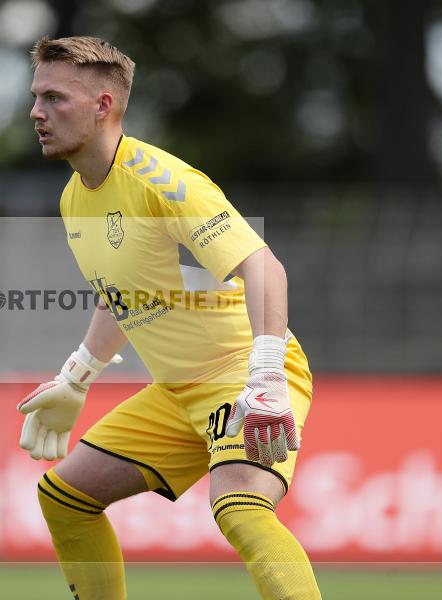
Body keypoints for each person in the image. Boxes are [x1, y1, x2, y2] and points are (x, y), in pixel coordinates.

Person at [18, 36, 321, 600]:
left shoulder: (165, 181)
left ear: (103, 105)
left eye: (54, 98)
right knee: (65, 499)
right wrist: (77, 376)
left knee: (241, 509)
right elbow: (124, 295)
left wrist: (267, 375)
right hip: (176, 392)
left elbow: (264, 269)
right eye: (36, 97)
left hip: (241, 374)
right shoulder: (73, 197)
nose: (36, 112)